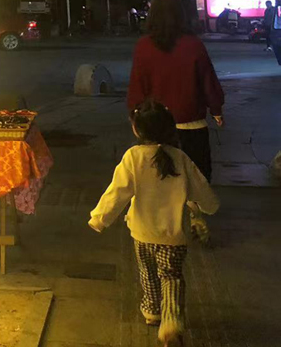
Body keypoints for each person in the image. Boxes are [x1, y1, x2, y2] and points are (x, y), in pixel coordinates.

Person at [89, 101, 218, 347]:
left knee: (148, 273)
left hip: (142, 232)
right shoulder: (180, 158)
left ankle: (152, 312)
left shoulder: (133, 157)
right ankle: (171, 324)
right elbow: (201, 190)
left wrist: (99, 219)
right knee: (171, 277)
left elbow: (117, 192)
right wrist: (209, 208)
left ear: (137, 130)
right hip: (173, 235)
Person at [127, 0, 224, 183]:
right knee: (196, 180)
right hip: (192, 125)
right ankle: (195, 212)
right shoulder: (193, 45)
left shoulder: (143, 46)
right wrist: (216, 110)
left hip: (154, 128)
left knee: (160, 183)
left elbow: (137, 88)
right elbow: (208, 81)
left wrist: (135, 117)